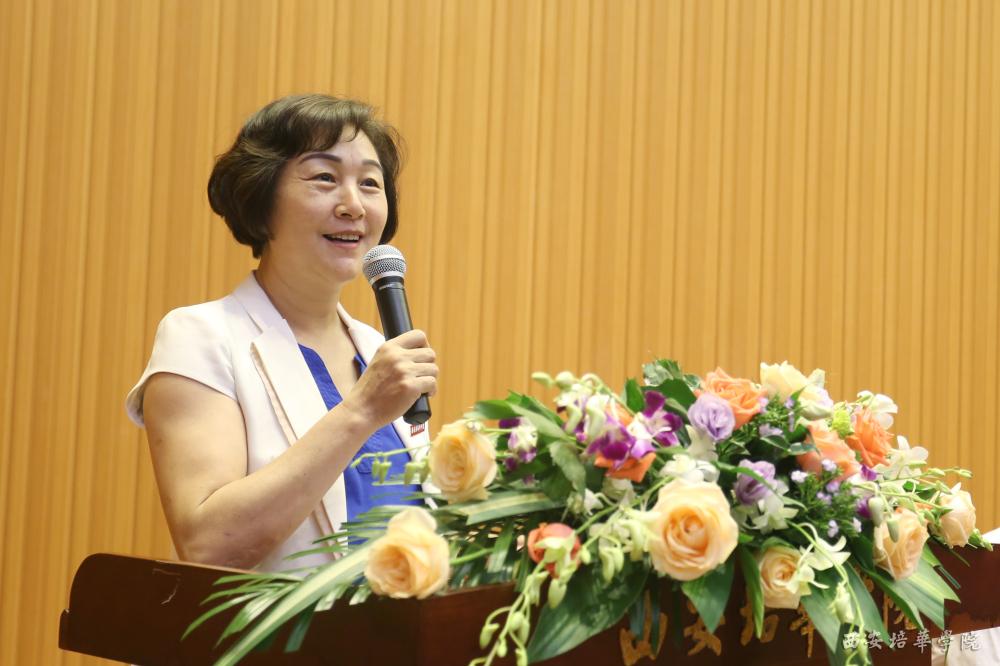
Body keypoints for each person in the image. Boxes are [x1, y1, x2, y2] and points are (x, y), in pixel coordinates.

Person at [125, 94, 439, 572]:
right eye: (325, 178)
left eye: (370, 184)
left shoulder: (380, 351)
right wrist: (361, 411)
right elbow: (208, 544)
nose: (353, 205)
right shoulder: (202, 336)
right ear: (262, 198)